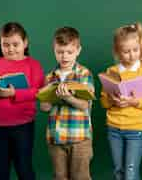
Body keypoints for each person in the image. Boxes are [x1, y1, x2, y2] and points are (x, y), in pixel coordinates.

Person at [0, 22, 44, 180]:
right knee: (0, 168)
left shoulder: (33, 65)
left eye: (15, 44)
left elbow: (39, 92)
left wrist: (14, 93)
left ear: (25, 43)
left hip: (23, 125)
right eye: (5, 45)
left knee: (24, 167)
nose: (10, 49)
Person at [100, 22, 142, 180]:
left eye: (135, 50)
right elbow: (103, 103)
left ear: (141, 47)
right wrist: (113, 101)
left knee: (131, 172)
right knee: (119, 170)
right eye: (126, 52)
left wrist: (134, 102)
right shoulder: (111, 72)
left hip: (136, 129)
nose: (132, 55)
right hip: (114, 128)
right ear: (118, 51)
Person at [40, 27, 94, 180]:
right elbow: (44, 107)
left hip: (80, 137)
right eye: (60, 52)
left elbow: (85, 105)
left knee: (80, 176)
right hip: (56, 137)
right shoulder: (49, 77)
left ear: (78, 50)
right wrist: (49, 99)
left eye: (69, 52)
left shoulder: (84, 74)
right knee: (59, 176)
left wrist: (68, 98)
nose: (64, 56)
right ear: (54, 50)